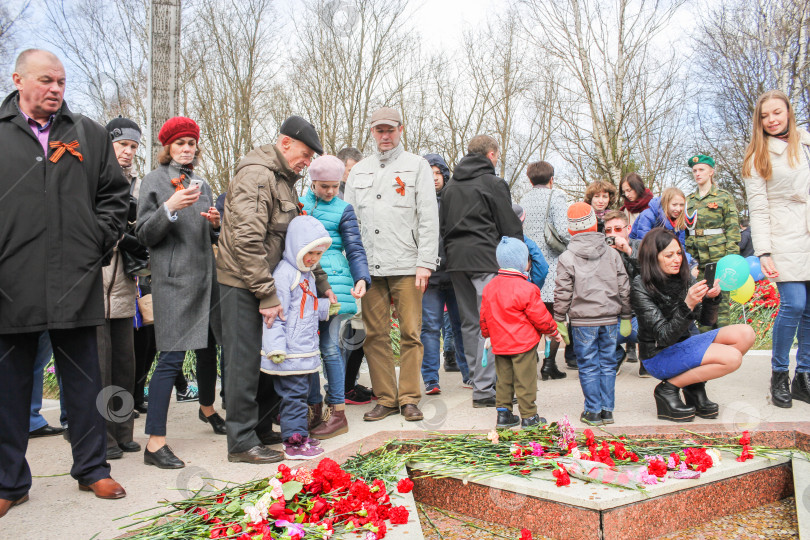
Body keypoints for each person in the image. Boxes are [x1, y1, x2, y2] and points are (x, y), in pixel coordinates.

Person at [0, 49, 130, 514]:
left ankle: (93, 470)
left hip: (75, 282)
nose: (56, 89)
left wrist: (95, 240)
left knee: (83, 382)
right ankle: (9, 482)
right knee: (10, 386)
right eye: (46, 80)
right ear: (18, 79)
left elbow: (116, 196)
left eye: (62, 82)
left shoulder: (88, 134)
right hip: (10, 285)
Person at [217, 116, 335, 462]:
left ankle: (261, 426)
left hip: (272, 283)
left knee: (270, 360)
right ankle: (240, 441)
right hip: (243, 283)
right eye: (304, 152)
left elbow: (298, 240)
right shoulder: (257, 176)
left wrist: (322, 283)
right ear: (285, 143)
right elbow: (246, 240)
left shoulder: (284, 181)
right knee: (243, 362)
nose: (307, 161)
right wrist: (267, 294)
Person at [136, 116, 225, 469]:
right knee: (171, 359)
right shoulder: (154, 181)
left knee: (208, 349)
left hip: (206, 279)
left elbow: (207, 236)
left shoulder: (200, 183)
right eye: (180, 144)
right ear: (168, 148)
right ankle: (155, 443)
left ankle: (207, 410)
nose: (187, 149)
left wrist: (215, 224)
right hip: (174, 282)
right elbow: (144, 233)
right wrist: (170, 208)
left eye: (191, 144)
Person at [346, 107, 439, 422]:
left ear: (401, 129)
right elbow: (349, 222)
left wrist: (425, 262)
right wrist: (353, 265)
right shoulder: (358, 170)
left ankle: (410, 397)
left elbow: (428, 217)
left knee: (412, 333)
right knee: (375, 335)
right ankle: (386, 398)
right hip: (369, 268)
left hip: (408, 264)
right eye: (379, 130)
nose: (385, 136)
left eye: (390, 130)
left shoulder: (417, 166)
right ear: (372, 132)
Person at [631, 228, 755, 422]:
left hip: (685, 344)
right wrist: (687, 304)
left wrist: (711, 299)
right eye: (669, 255)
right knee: (732, 358)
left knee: (746, 333)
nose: (677, 259)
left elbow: (707, 321)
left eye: (679, 253)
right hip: (658, 355)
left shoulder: (685, 277)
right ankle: (668, 388)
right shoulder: (641, 285)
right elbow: (663, 337)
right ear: (653, 258)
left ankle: (694, 387)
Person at [440, 135, 522, 408]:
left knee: (470, 323)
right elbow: (509, 224)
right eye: (497, 156)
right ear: (491, 154)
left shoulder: (450, 186)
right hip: (487, 259)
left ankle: (479, 380)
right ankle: (486, 390)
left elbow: (443, 225)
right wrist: (520, 258)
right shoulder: (493, 184)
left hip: (457, 261)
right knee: (491, 324)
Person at [743, 89, 810, 408]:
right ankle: (779, 374)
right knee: (794, 303)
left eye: (777, 113)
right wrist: (764, 251)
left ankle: (804, 376)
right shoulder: (758, 155)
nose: (771, 120)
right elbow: (757, 208)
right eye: (765, 115)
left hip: (808, 230)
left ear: (788, 113)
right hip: (782, 234)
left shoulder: (805, 142)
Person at [301, 155, 371, 438]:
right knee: (304, 347)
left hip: (336, 282)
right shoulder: (300, 206)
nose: (330, 191)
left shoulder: (344, 209)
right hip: (304, 279)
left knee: (331, 347)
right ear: (312, 182)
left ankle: (337, 410)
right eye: (323, 186)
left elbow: (354, 247)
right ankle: (311, 406)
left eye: (334, 186)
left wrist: (362, 278)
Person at [261, 216, 336, 460]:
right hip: (289, 353)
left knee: (299, 395)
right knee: (293, 397)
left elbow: (305, 307)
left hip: (303, 350)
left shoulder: (307, 274)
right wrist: (274, 348)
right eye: (309, 252)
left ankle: (299, 434)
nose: (313, 258)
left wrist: (325, 308)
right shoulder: (285, 275)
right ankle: (294, 442)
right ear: (296, 247)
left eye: (318, 253)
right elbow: (276, 315)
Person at [554, 203, 632, 426]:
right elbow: (624, 286)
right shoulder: (611, 253)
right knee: (608, 363)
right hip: (609, 319)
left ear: (571, 230)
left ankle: (593, 411)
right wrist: (626, 316)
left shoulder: (567, 257)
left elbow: (562, 292)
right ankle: (608, 410)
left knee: (587, 365)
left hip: (582, 321)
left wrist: (559, 319)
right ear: (593, 223)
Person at [98, 116, 147, 460]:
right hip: (95, 284)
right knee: (99, 365)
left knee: (124, 363)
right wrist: (121, 239)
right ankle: (103, 437)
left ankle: (123, 429)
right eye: (122, 145)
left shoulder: (135, 187)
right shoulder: (92, 179)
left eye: (133, 147)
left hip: (125, 286)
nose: (128, 152)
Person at [481, 238, 562, 429]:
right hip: (523, 344)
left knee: (503, 380)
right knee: (525, 381)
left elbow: (484, 316)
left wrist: (487, 335)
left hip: (500, 344)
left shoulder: (490, 287)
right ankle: (529, 416)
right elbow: (540, 316)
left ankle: (503, 415)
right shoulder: (527, 288)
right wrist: (553, 331)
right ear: (523, 262)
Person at [420, 153, 469, 393]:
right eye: (429, 173)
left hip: (456, 273)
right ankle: (431, 379)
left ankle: (468, 374)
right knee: (430, 327)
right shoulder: (417, 202)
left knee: (462, 325)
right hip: (430, 275)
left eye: (438, 172)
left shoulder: (455, 199)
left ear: (445, 175)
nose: (434, 178)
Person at [519, 161, 573, 373]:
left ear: (530, 179)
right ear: (552, 179)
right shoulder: (557, 196)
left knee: (532, 317)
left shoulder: (523, 199)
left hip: (531, 265)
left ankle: (530, 360)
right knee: (554, 317)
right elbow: (563, 231)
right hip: (553, 263)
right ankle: (549, 364)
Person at [685, 154, 741, 331]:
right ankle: (705, 348)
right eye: (694, 171)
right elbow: (686, 230)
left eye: (701, 169)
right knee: (702, 303)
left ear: (711, 172)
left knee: (721, 305)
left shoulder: (723, 197)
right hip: (697, 259)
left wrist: (731, 259)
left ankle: (724, 345)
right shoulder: (689, 200)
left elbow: (732, 228)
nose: (697, 174)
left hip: (720, 257)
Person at [336, 146, 372, 403]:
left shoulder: (364, 194)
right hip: (341, 273)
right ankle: (343, 388)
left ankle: (349, 385)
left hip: (361, 270)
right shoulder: (334, 197)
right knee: (347, 333)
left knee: (359, 330)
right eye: (351, 170)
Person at [512, 204, 557, 379]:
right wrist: (533, 286)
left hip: (502, 290)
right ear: (523, 221)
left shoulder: (498, 240)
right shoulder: (525, 241)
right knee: (528, 328)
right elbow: (542, 266)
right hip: (524, 288)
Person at [603, 210, 646, 377]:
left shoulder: (641, 246)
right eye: (608, 230)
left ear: (628, 228)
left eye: (617, 229)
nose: (613, 234)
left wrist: (628, 251)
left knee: (652, 328)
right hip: (613, 315)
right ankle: (616, 356)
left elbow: (648, 277)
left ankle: (647, 358)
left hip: (640, 314)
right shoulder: (602, 251)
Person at [632, 187, 695, 268]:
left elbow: (681, 246)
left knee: (692, 264)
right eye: (674, 205)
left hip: (667, 255)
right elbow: (642, 244)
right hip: (642, 257)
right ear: (666, 203)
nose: (678, 209)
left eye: (681, 205)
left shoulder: (679, 220)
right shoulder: (648, 216)